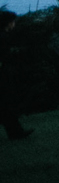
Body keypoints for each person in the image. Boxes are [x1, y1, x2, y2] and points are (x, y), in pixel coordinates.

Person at [0, 10, 30, 140]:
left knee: (5, 106)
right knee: (6, 105)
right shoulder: (3, 37)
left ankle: (16, 132)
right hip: (3, 74)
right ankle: (16, 132)